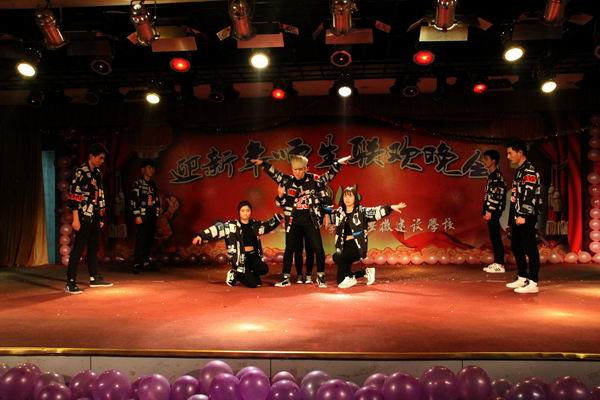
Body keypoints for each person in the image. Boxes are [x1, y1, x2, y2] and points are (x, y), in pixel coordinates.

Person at [252, 154, 351, 288]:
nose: (297, 172)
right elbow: (274, 174)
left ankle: (321, 277)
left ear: (305, 168)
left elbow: (329, 175)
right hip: (293, 222)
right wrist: (263, 164)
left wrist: (338, 163)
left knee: (318, 248)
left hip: (311, 221)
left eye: (300, 169)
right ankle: (285, 278)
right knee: (289, 249)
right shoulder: (288, 181)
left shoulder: (314, 180)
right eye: (295, 169)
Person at [324, 187, 406, 288]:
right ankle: (366, 272)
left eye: (350, 196)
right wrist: (326, 215)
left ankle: (350, 279)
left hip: (356, 247)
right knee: (340, 280)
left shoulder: (361, 211)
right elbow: (326, 216)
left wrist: (390, 207)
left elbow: (376, 211)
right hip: (343, 247)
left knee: (336, 257)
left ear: (355, 198)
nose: (347, 198)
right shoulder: (339, 213)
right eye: (345, 196)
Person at [192, 200, 282, 288]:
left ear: (250, 212)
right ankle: (235, 274)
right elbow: (217, 230)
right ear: (239, 212)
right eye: (242, 211)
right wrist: (201, 236)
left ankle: (251, 274)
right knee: (253, 284)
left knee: (263, 269)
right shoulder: (232, 226)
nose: (245, 213)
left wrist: (279, 217)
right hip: (240, 259)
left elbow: (267, 225)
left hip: (252, 256)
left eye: (247, 210)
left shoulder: (255, 224)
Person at [65, 143, 113, 294]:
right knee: (79, 248)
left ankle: (94, 277)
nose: (102, 161)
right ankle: (70, 282)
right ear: (92, 156)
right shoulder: (81, 172)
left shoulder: (97, 173)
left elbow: (100, 195)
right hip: (83, 215)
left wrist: (100, 217)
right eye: (100, 158)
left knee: (94, 247)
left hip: (95, 215)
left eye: (103, 159)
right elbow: (74, 196)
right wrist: (75, 218)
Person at [505, 139, 543, 294]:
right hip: (518, 214)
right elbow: (517, 196)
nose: (508, 156)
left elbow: (529, 195)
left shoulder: (529, 170)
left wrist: (523, 215)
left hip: (526, 215)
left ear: (520, 152)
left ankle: (533, 282)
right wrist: (513, 218)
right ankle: (522, 276)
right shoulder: (520, 169)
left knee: (530, 248)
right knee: (516, 245)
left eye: (510, 153)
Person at [130, 159, 161, 274]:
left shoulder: (153, 184)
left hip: (151, 214)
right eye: (149, 168)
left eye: (153, 168)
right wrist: (137, 215)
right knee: (141, 238)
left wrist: (157, 213)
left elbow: (157, 200)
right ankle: (137, 262)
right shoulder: (137, 184)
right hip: (142, 215)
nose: (152, 170)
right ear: (143, 170)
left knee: (149, 238)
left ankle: (146, 261)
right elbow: (134, 200)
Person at [481, 149, 507, 273]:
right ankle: (497, 262)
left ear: (493, 161)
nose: (484, 161)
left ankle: (499, 264)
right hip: (492, 210)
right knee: (494, 236)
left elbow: (497, 195)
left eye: (486, 159)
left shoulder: (497, 176)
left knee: (495, 236)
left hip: (494, 211)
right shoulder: (492, 176)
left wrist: (489, 210)